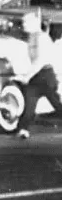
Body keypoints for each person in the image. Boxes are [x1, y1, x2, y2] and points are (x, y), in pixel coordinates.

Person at [17, 11, 62, 140]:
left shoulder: (41, 38)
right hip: (36, 77)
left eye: (25, 22)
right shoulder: (31, 37)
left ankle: (24, 128)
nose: (23, 25)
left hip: (46, 75)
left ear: (34, 23)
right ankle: (23, 129)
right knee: (29, 104)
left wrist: (27, 76)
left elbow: (40, 60)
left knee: (56, 104)